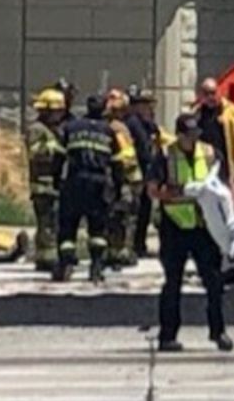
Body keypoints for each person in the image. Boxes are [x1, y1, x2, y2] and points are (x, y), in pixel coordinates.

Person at [148, 113, 234, 353]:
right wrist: (185, 191)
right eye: (188, 135)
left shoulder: (210, 154)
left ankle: (219, 332)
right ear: (178, 135)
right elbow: (154, 190)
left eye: (195, 134)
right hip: (174, 226)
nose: (193, 139)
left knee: (214, 282)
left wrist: (233, 215)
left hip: (205, 227)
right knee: (172, 283)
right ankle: (168, 336)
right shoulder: (166, 156)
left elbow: (227, 184)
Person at [54, 95, 119, 283]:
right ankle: (96, 267)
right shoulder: (109, 131)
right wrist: (117, 185)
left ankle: (66, 265)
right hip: (98, 183)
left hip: (75, 180)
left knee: (68, 226)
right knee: (97, 227)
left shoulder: (71, 127)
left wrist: (57, 180)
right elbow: (117, 162)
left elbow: (59, 156)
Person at [27, 88, 67, 273]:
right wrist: (56, 149)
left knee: (54, 222)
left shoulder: (55, 130)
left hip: (55, 183)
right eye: (56, 111)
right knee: (46, 223)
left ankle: (50, 255)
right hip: (42, 184)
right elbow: (35, 153)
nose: (59, 114)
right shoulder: (36, 129)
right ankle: (45, 258)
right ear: (46, 111)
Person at [104, 88, 142, 269]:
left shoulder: (107, 125)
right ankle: (122, 251)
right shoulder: (118, 128)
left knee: (115, 216)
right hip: (125, 179)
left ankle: (113, 250)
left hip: (115, 179)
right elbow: (127, 156)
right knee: (125, 217)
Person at [196, 78, 234, 186]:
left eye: (213, 92)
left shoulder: (233, 112)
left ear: (219, 91)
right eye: (206, 94)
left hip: (226, 167)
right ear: (201, 96)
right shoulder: (197, 114)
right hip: (204, 166)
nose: (210, 97)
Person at [125, 88, 160, 258]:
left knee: (144, 212)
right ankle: (132, 247)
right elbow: (143, 151)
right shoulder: (133, 123)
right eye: (146, 104)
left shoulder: (147, 124)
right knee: (135, 213)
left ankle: (139, 245)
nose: (150, 108)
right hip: (135, 176)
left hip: (145, 175)